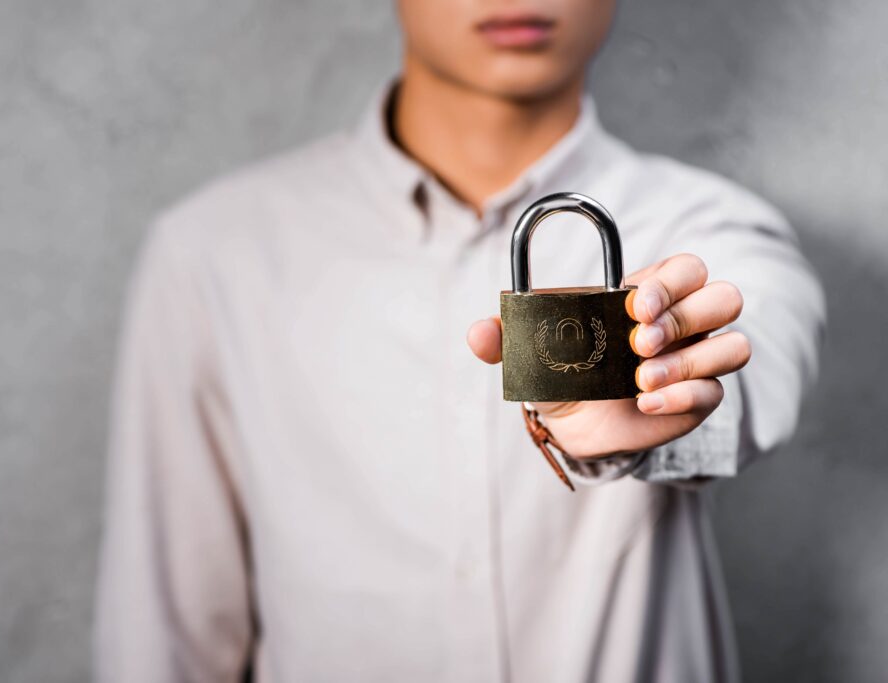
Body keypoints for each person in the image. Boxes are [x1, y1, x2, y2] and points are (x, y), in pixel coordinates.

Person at [94, 1, 824, 681]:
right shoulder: (211, 253)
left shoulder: (713, 228)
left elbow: (759, 371)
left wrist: (661, 407)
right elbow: (165, 634)